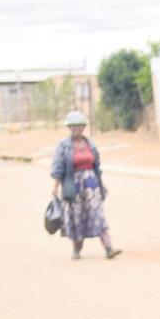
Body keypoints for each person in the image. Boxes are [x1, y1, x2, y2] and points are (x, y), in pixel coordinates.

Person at [50, 110, 122, 260]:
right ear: (68, 128)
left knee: (98, 215)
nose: (76, 129)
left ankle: (108, 248)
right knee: (77, 218)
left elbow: (97, 166)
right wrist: (55, 188)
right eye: (73, 126)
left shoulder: (90, 144)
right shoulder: (63, 146)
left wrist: (101, 184)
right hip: (73, 187)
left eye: (79, 126)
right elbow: (58, 169)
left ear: (83, 127)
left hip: (91, 186)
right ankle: (76, 249)